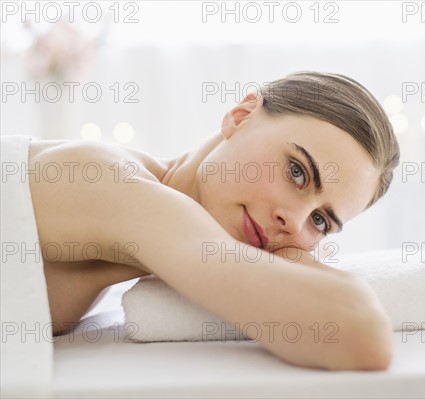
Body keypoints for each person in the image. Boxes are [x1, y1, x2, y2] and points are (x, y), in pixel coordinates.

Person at [26, 71, 400, 371]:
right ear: (241, 117)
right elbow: (361, 334)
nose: (293, 220)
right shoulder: (102, 178)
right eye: (297, 172)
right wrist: (294, 261)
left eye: (319, 222)